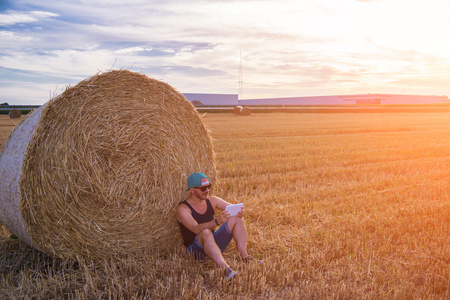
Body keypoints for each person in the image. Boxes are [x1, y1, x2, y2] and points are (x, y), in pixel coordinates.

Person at [177, 172, 261, 280]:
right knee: (205, 232)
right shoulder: (183, 209)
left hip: (213, 244)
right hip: (195, 251)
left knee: (236, 217)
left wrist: (240, 212)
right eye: (203, 188)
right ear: (192, 190)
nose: (207, 190)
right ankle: (227, 270)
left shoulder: (212, 200)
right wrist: (216, 222)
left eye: (208, 187)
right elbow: (195, 229)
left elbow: (234, 208)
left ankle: (244, 257)